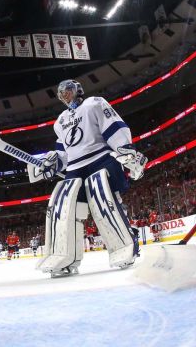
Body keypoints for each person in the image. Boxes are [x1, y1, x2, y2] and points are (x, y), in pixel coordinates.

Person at [33, 79, 146, 277]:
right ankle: (64, 257)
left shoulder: (94, 103)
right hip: (75, 169)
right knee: (64, 208)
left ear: (77, 89)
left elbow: (112, 127)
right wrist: (53, 162)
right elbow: (64, 152)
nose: (65, 96)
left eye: (67, 91)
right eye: (61, 94)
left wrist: (126, 150)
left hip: (99, 158)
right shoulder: (60, 121)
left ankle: (125, 242)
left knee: (105, 201)